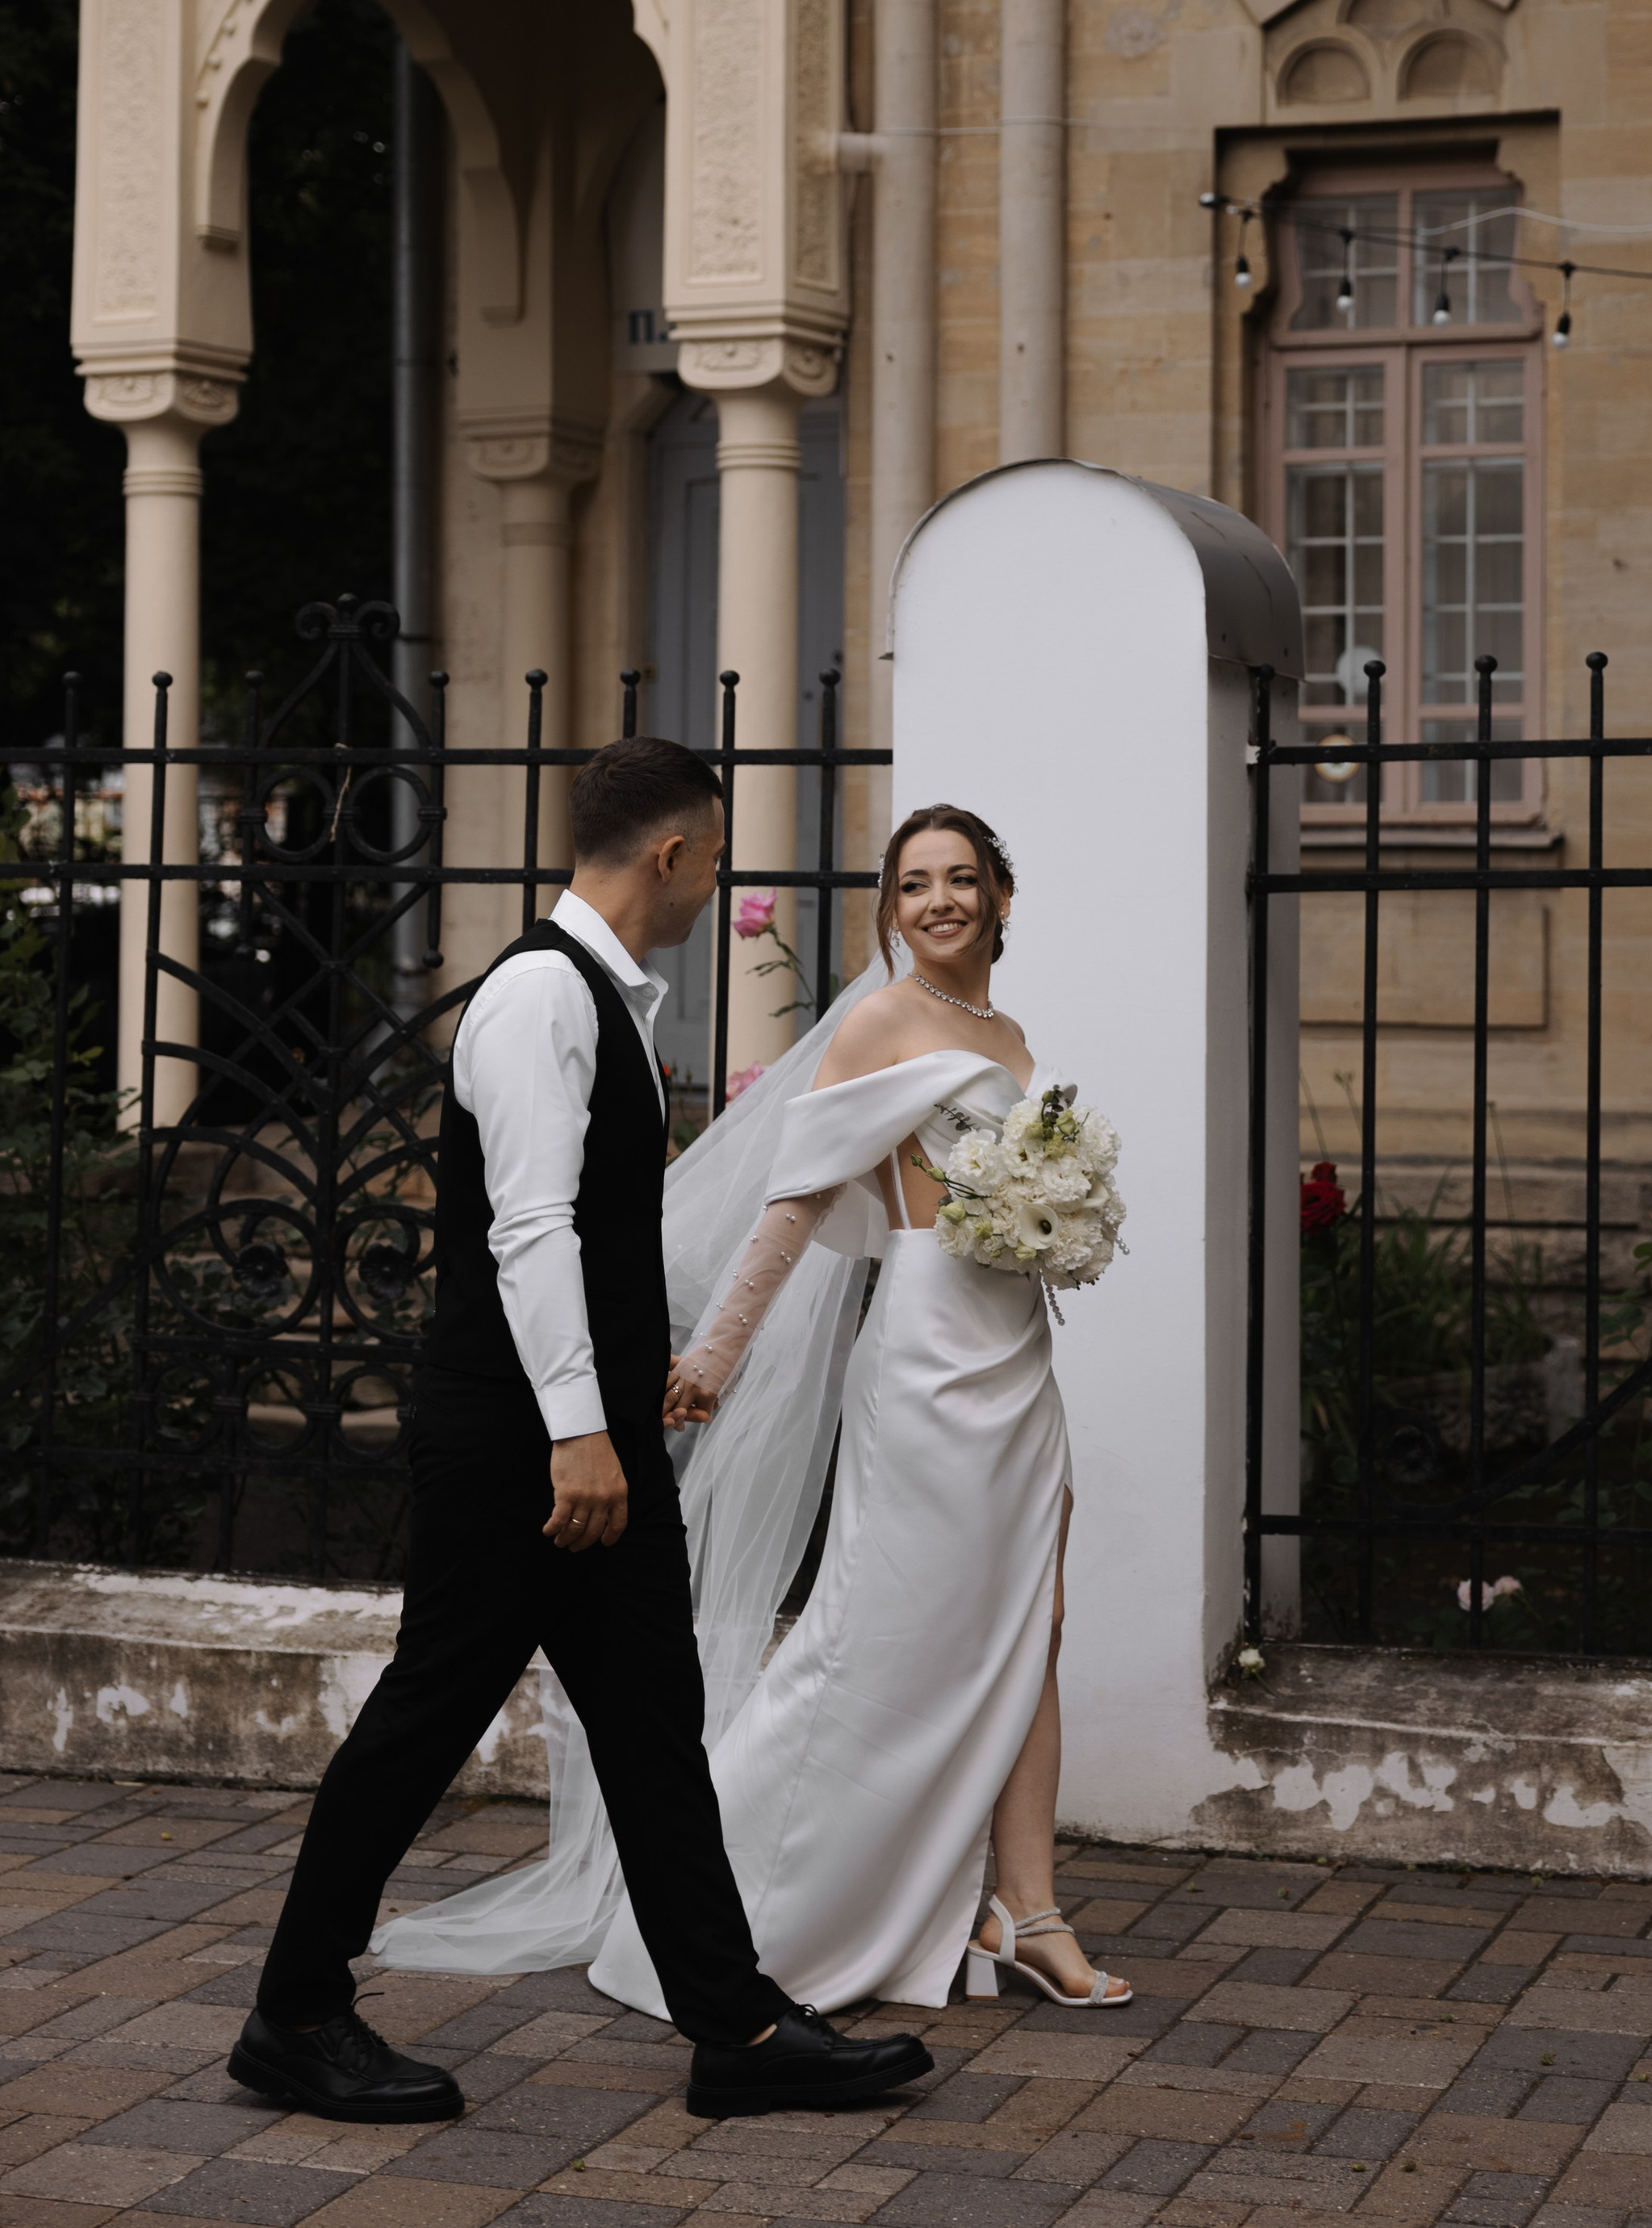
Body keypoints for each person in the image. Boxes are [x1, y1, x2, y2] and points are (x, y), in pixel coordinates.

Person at [228, 737, 933, 2125]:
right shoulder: (541, 997)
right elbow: (529, 1228)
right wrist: (578, 1435)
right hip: (528, 1446)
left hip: (583, 1430)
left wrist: (625, 1386)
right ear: (669, 855)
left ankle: (731, 2026)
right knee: (430, 1715)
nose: (715, 878)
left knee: (656, 1723)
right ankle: (296, 2012)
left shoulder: (602, 996)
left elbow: (595, 1233)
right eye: (714, 856)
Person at [374, 803, 1130, 2021]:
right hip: (930, 1359)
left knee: (1025, 1626)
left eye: (962, 880)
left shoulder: (1007, 1029)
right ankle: (744, 1917)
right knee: (873, 1641)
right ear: (891, 912)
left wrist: (1065, 1219)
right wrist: (714, 1357)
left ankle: (1025, 1911)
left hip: (1016, 1357)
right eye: (914, 884)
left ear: (999, 896)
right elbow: (796, 1202)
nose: (939, 900)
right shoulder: (883, 1022)